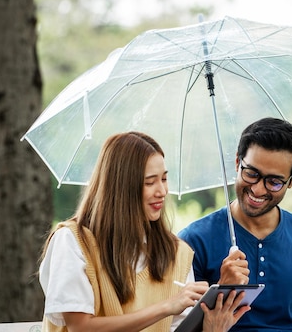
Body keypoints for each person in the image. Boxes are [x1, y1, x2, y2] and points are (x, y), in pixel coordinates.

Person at [39, 131, 250, 332]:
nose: (162, 191)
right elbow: (80, 327)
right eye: (150, 182)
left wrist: (217, 307)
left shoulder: (177, 253)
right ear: (121, 188)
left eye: (164, 179)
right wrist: (166, 307)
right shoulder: (72, 241)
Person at [178, 118, 292, 332]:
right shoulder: (192, 242)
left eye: (274, 182)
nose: (258, 190)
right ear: (238, 163)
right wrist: (221, 290)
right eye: (251, 174)